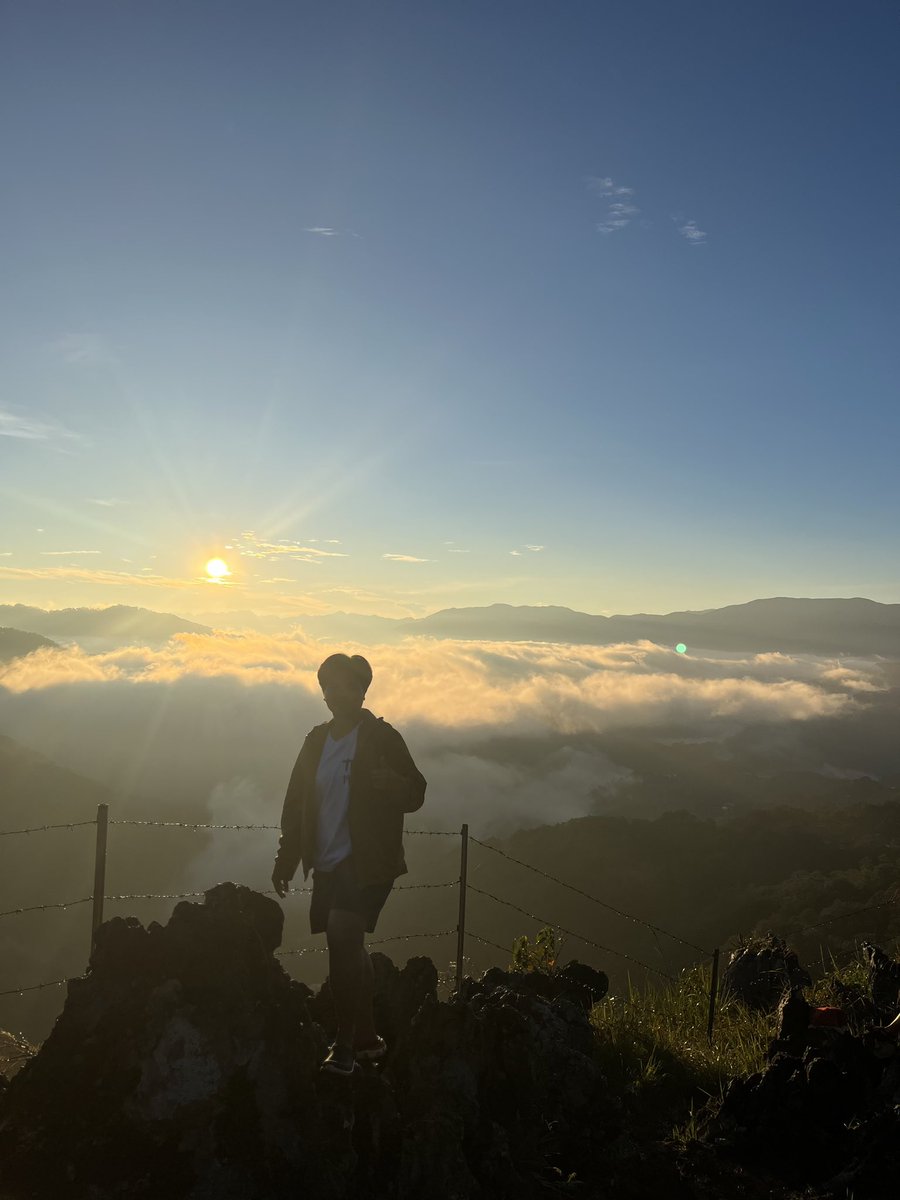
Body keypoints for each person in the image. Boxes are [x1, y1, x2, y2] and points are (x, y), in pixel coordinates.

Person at [271, 653, 426, 1075]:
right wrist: (286, 858)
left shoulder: (383, 738)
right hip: (327, 861)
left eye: (345, 686)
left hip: (370, 863)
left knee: (341, 934)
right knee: (350, 944)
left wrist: (396, 786)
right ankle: (367, 1036)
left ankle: (342, 1043)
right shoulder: (315, 741)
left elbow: (416, 792)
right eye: (328, 687)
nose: (335, 694)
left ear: (362, 691)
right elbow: (296, 802)